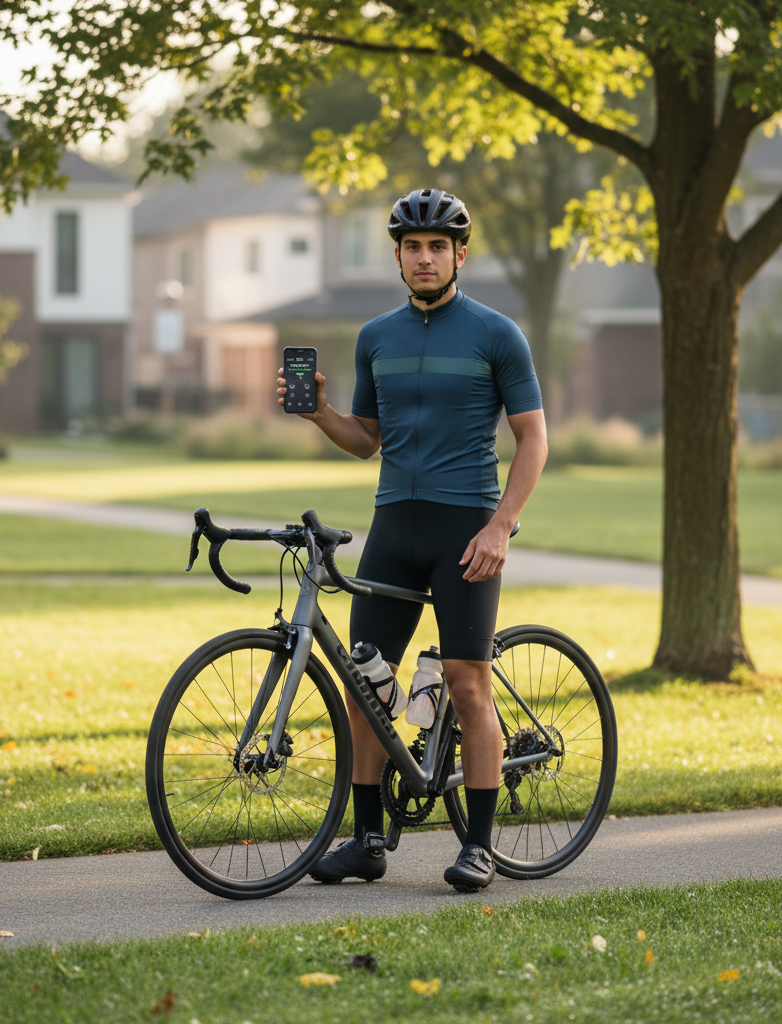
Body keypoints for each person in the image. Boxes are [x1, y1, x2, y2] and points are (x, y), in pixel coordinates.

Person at [275, 188, 547, 892]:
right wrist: (322, 413)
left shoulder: (496, 334)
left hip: (466, 530)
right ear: (396, 256)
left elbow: (533, 437)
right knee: (366, 678)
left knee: (466, 682)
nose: (424, 257)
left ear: (460, 254)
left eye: (437, 246)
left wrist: (499, 525)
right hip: (395, 522)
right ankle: (368, 841)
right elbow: (366, 441)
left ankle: (479, 847)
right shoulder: (376, 337)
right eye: (412, 246)